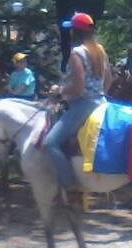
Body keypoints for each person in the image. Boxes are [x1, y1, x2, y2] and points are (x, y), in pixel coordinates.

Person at [44, 13, 111, 202]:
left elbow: (79, 87)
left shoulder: (77, 53)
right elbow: (109, 80)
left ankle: (70, 184)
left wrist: (60, 90)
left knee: (50, 143)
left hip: (84, 105)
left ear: (75, 31)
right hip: (103, 102)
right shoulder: (100, 50)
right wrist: (100, 94)